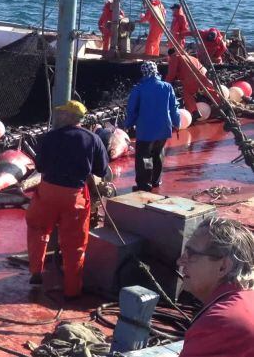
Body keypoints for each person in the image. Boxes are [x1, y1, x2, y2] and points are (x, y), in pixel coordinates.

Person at [26, 100, 109, 299]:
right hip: (75, 196)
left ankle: (36, 272)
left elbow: (40, 167)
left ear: (69, 117)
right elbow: (101, 170)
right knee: (75, 243)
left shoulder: (50, 137)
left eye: (62, 114)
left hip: (48, 192)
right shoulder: (93, 139)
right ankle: (72, 290)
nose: (59, 117)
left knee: (38, 229)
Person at [177, 217, 254, 357]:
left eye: (192, 254)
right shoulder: (247, 300)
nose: (180, 261)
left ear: (223, 267)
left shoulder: (220, 322)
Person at [123, 61, 180, 192]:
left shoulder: (139, 89)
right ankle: (155, 181)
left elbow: (132, 110)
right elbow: (174, 108)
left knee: (145, 156)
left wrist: (127, 124)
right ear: (156, 71)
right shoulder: (167, 87)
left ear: (143, 73)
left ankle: (144, 184)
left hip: (146, 131)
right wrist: (177, 123)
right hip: (164, 129)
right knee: (158, 154)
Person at [166, 48, 221, 119]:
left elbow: (171, 74)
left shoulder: (174, 57)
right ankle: (220, 102)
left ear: (170, 55)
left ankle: (194, 112)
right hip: (203, 73)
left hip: (191, 77)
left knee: (187, 93)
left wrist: (165, 84)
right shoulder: (190, 57)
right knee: (207, 89)